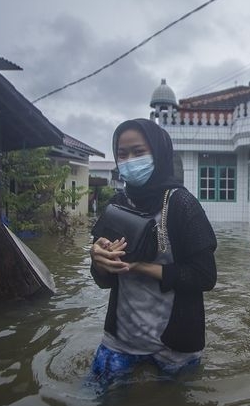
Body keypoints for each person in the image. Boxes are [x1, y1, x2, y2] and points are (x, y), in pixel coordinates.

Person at [88, 119, 217, 389]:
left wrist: (141, 267)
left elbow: (205, 276)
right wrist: (98, 261)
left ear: (158, 153)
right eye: (122, 154)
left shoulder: (183, 205)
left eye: (138, 152)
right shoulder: (117, 203)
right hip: (121, 339)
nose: (129, 161)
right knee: (98, 405)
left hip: (175, 345)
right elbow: (104, 280)